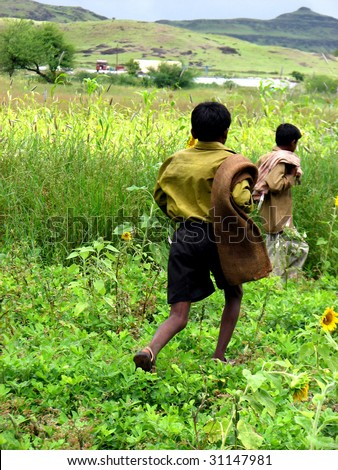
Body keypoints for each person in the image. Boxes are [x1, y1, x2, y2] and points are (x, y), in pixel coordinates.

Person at [133, 101, 270, 372]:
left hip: (184, 235)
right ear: (225, 133)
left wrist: (180, 217)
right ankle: (218, 355)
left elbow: (160, 196)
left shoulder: (176, 160)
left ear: (193, 130)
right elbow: (242, 200)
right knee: (233, 294)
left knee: (179, 314)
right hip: (219, 238)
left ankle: (150, 350)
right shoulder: (231, 162)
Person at [253, 123, 309, 279]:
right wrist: (291, 176)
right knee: (279, 256)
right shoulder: (282, 160)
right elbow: (275, 184)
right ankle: (277, 287)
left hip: (272, 214)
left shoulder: (266, 157)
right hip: (277, 216)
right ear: (293, 142)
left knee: (298, 248)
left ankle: (288, 282)